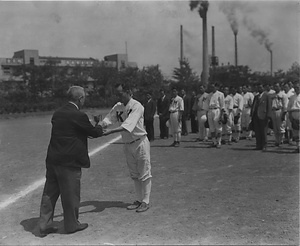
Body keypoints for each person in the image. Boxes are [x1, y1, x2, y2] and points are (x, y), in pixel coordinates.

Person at [38, 86, 103, 236]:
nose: (84, 100)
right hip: (69, 162)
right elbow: (94, 133)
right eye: (84, 98)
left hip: (53, 159)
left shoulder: (57, 113)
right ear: (80, 98)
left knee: (49, 193)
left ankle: (44, 224)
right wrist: (98, 124)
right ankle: (72, 225)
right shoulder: (79, 115)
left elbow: (69, 131)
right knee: (70, 195)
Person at [99, 84, 152, 212]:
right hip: (127, 144)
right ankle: (138, 199)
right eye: (117, 93)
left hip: (140, 142)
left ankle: (146, 201)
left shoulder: (137, 106)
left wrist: (109, 132)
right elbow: (108, 119)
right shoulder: (118, 106)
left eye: (120, 93)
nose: (118, 96)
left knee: (144, 173)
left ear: (128, 92)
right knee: (134, 174)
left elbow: (128, 125)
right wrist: (100, 125)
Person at [250, 83, 270, 151]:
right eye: (258, 88)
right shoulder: (256, 96)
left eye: (261, 87)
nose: (259, 89)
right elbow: (253, 106)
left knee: (263, 131)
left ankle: (264, 145)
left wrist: (268, 116)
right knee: (257, 132)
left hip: (263, 115)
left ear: (263, 88)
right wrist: (252, 114)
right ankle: (258, 145)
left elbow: (269, 106)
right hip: (256, 116)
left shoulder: (267, 95)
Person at [206, 83, 225, 148]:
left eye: (213, 87)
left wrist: (221, 115)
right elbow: (206, 105)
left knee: (218, 127)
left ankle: (219, 142)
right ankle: (214, 142)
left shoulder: (220, 94)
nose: (212, 88)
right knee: (212, 127)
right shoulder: (209, 95)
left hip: (217, 110)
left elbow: (222, 106)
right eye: (211, 87)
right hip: (210, 110)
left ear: (216, 87)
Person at [269, 82, 288, 146]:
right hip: (273, 111)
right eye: (274, 86)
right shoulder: (272, 95)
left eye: (277, 86)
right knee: (275, 127)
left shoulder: (283, 95)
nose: (275, 88)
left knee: (281, 126)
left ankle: (281, 140)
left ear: (280, 87)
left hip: (280, 111)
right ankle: (277, 140)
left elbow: (285, 105)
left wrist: (284, 114)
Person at [287, 81, 300, 153]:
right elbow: (289, 107)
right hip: (293, 113)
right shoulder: (292, 97)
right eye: (295, 88)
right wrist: (290, 116)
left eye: (298, 87)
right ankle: (298, 147)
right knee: (295, 131)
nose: (296, 89)